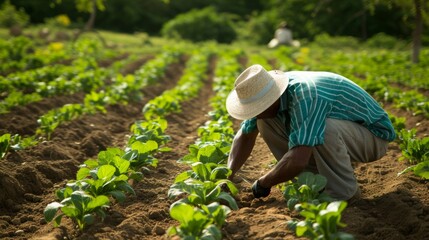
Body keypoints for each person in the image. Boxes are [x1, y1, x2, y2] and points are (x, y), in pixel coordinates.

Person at [225, 64, 396, 201]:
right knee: (263, 123)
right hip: (348, 134)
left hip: (373, 136)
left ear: (270, 100)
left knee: (325, 128)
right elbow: (245, 136)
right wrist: (227, 175)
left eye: (257, 108)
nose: (254, 113)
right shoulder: (270, 94)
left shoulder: (305, 95)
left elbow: (298, 159)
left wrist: (264, 182)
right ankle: (316, 183)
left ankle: (344, 194)